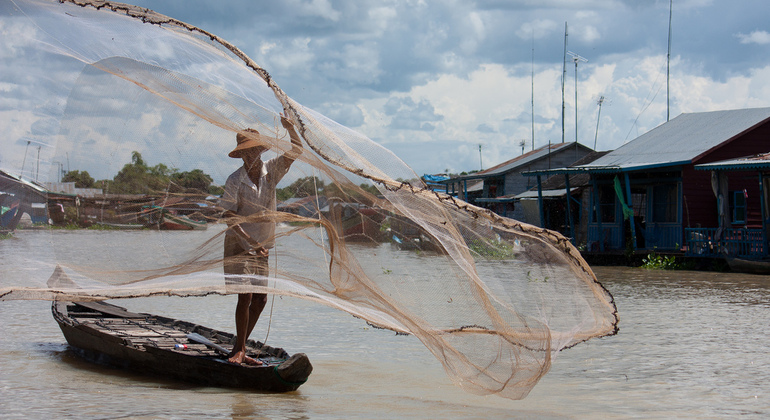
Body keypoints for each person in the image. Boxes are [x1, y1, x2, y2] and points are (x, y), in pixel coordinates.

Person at [221, 114, 302, 365]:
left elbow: (297, 150)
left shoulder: (271, 171)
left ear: (260, 150)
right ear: (242, 155)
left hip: (262, 246)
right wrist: (250, 242)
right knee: (244, 296)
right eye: (247, 152)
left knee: (261, 298)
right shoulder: (235, 180)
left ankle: (241, 347)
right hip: (238, 244)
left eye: (255, 150)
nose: (252, 155)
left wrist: (290, 128)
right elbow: (228, 215)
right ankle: (239, 350)